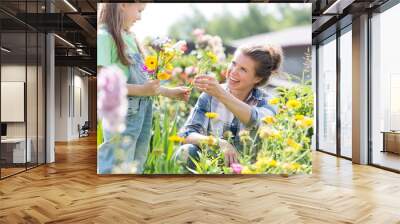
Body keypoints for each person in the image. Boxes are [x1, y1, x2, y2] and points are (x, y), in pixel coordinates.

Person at [97, 3, 190, 174]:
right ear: (123, 4)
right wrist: (142, 91)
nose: (139, 18)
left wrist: (169, 92)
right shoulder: (104, 37)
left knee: (136, 165)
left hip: (143, 112)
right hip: (123, 115)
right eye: (139, 11)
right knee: (117, 165)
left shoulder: (130, 38)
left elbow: (144, 82)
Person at [174, 44, 282, 170]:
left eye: (243, 69)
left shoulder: (267, 102)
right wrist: (216, 142)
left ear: (257, 78)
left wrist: (220, 93)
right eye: (233, 63)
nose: (233, 71)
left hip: (249, 173)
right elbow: (186, 134)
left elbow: (256, 120)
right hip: (212, 169)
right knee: (185, 151)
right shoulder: (209, 96)